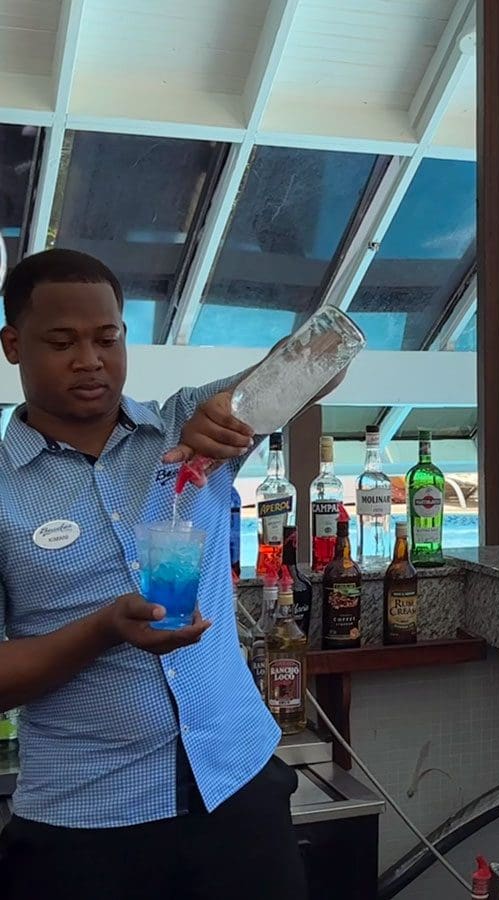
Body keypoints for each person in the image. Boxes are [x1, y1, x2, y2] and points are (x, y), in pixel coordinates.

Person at [0, 249, 334, 898]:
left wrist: (239, 403)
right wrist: (103, 629)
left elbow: (323, 358)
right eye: (62, 341)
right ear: (13, 345)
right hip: (88, 824)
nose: (90, 359)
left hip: (239, 795)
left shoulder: (190, 427)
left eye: (107, 338)